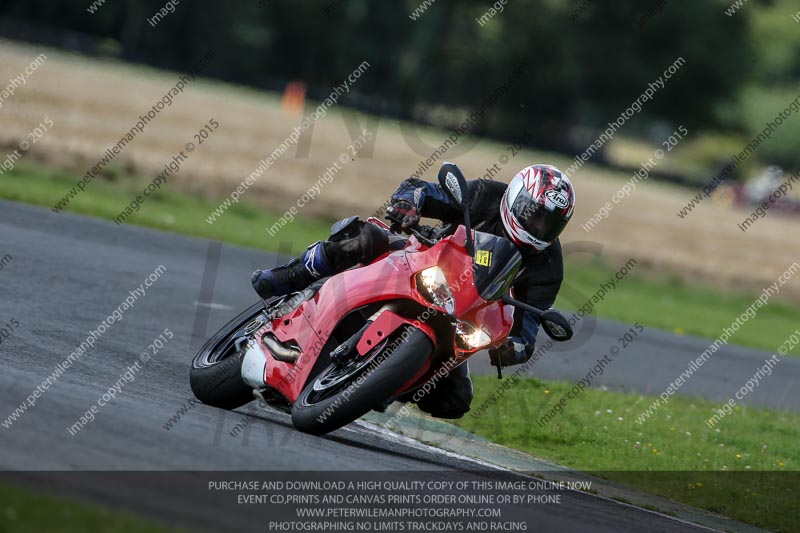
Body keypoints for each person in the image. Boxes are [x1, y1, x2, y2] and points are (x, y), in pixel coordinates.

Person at [251, 164, 576, 418]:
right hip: (423, 259)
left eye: (548, 225)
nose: (537, 228)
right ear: (517, 197)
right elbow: (422, 190)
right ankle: (293, 275)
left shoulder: (548, 266)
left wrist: (510, 348)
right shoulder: (486, 196)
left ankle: (381, 384)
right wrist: (409, 204)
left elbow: (527, 333)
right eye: (533, 215)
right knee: (366, 237)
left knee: (455, 400)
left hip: (460, 316)